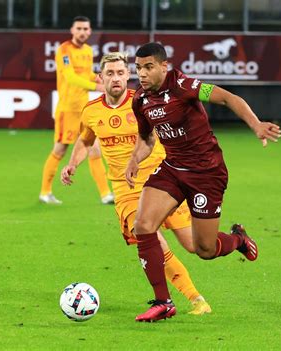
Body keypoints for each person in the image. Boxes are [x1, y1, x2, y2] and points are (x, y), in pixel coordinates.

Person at [125, 42, 281, 322]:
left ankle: (238, 240)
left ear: (164, 66)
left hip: (206, 174)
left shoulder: (184, 85)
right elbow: (147, 138)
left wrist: (256, 124)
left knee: (205, 250)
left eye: (148, 67)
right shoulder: (140, 100)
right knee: (143, 225)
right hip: (172, 168)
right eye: (138, 68)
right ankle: (163, 302)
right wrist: (135, 159)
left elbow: (228, 98)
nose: (142, 74)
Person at [60, 52, 211, 316]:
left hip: (164, 185)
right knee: (151, 238)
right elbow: (85, 140)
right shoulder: (92, 111)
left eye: (120, 73)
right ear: (100, 78)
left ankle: (238, 240)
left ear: (127, 75)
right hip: (126, 192)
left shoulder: (143, 103)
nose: (116, 78)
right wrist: (72, 163)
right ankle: (194, 299)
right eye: (110, 73)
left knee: (195, 246)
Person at [39, 15, 114, 205]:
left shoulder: (88, 50)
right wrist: (96, 87)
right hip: (67, 109)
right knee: (60, 149)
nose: (82, 32)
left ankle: (106, 194)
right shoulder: (64, 50)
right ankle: (45, 191)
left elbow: (85, 73)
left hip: (84, 108)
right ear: (72, 30)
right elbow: (70, 77)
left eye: (85, 29)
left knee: (95, 148)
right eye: (78, 28)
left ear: (89, 31)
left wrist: (97, 78)